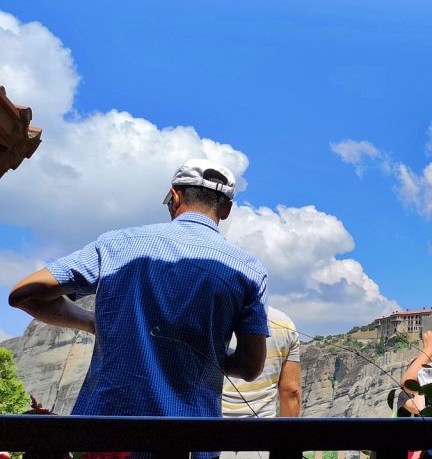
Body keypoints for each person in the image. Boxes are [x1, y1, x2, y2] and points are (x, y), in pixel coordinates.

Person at [8, 159, 268, 433]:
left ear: (175, 196)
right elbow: (250, 367)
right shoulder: (249, 270)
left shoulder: (118, 244)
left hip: (105, 438)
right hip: (192, 441)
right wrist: (206, 349)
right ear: (226, 210)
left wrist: (91, 322)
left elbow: (25, 294)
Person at [222, 306, 301, 459]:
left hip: (210, 436)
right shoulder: (284, 323)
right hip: (262, 438)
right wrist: (287, 444)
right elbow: (291, 391)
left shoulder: (211, 315)